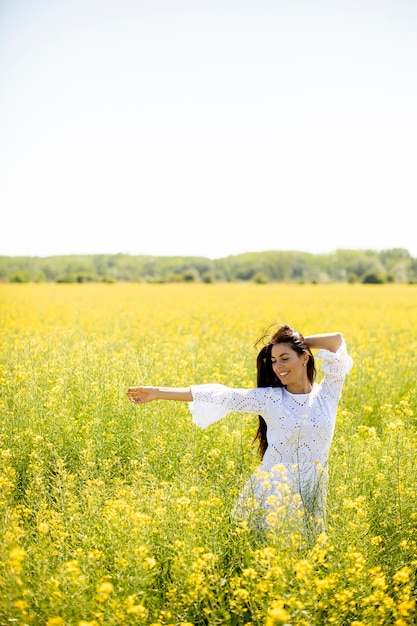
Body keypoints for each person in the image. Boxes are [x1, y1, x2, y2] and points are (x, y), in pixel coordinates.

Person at [127, 324, 353, 540]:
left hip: (313, 488)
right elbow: (220, 395)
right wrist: (157, 392)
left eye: (285, 358)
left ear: (305, 357)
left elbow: (335, 341)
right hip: (273, 488)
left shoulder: (327, 394)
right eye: (273, 360)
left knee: (307, 553)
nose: (278, 366)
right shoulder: (270, 399)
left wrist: (297, 341)